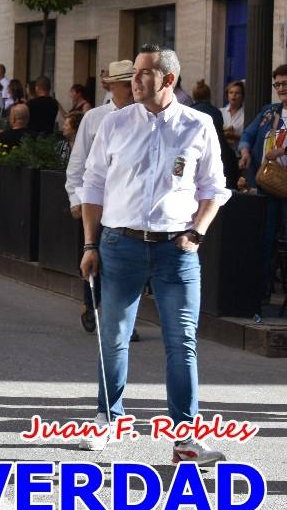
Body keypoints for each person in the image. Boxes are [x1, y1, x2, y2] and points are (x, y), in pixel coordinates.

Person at [78, 44, 231, 463]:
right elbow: (92, 186)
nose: (135, 80)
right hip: (119, 244)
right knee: (113, 337)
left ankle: (185, 438)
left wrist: (197, 233)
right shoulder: (115, 124)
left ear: (169, 79)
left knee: (182, 343)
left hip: (176, 250)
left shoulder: (198, 126)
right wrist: (90, 244)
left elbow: (214, 189)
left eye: (145, 72)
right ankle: (106, 420)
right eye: (134, 73)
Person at [65, 60, 136, 333]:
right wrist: (75, 197)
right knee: (92, 252)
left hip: (128, 203)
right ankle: (90, 302)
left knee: (127, 262)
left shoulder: (144, 115)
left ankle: (121, 317)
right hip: (96, 200)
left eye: (134, 82)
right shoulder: (94, 117)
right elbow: (78, 161)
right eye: (125, 83)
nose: (131, 88)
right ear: (111, 86)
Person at [238, 65, 287, 310]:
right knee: (266, 238)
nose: (281, 89)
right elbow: (248, 134)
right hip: (268, 183)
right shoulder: (270, 112)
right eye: (277, 84)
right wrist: (245, 151)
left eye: (285, 83)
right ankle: (263, 289)